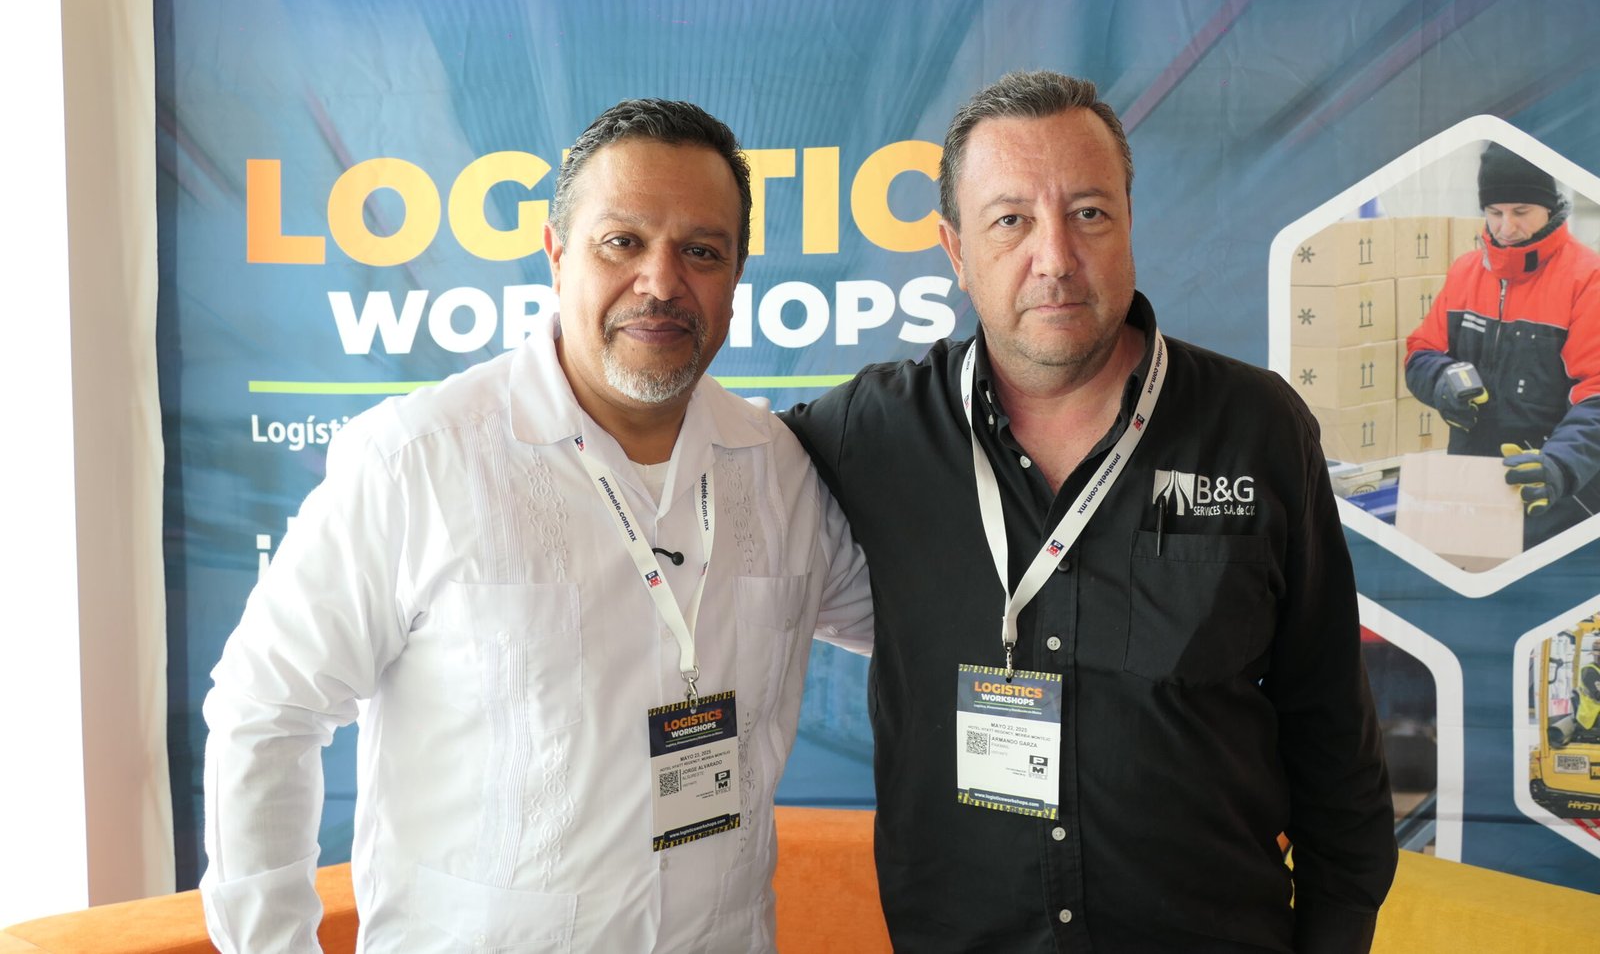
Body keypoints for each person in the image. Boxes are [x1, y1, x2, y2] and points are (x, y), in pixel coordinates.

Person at [200, 99, 872, 952]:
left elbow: (921, 624)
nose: (661, 282)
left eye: (701, 251)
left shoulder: (780, 470)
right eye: (622, 241)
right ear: (557, 254)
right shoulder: (417, 459)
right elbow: (267, 711)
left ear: (737, 275)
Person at [785, 71, 1396, 951]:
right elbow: (700, 481)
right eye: (1011, 220)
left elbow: (1331, 723)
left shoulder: (1256, 428)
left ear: (1129, 222)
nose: (1056, 257)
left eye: (1089, 212)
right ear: (955, 250)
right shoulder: (874, 432)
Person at [1405, 142, 1600, 548]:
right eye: (1495, 213)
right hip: (1472, 486)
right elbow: (1421, 352)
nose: (1506, 227)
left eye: (1521, 212)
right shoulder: (1465, 272)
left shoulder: (1587, 279)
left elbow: (1596, 395)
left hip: (1559, 498)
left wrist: (1558, 466)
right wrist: (1442, 378)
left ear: (1550, 207)